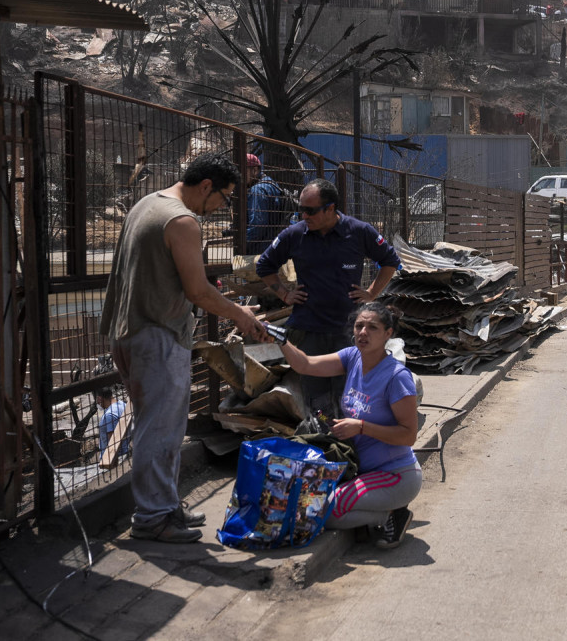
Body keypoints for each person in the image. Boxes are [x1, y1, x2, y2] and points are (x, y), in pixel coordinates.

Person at [100, 152, 268, 543]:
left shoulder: (148, 203)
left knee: (160, 426)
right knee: (159, 429)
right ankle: (153, 518)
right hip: (156, 335)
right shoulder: (182, 221)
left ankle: (165, 505)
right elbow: (198, 290)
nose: (222, 207)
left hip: (128, 332)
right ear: (206, 186)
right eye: (224, 197)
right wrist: (241, 316)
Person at [281, 302, 420, 548]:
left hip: (395, 475)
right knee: (303, 498)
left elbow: (409, 436)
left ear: (388, 333)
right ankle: (373, 515)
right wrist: (280, 340)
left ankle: (391, 514)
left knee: (322, 511)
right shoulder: (352, 356)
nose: (363, 332)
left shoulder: (397, 378)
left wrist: (362, 426)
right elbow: (305, 365)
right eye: (359, 326)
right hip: (361, 471)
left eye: (372, 327)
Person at [256, 179, 402, 413]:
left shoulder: (358, 232)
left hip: (348, 333)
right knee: (317, 401)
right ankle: (321, 441)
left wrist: (372, 293)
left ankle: (350, 445)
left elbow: (390, 261)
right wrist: (284, 294)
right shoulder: (294, 235)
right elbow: (264, 266)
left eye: (310, 210)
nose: (304, 215)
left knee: (351, 396)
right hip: (310, 331)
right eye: (301, 209)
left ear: (330, 209)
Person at [244, 154, 291, 255]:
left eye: (244, 170)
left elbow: (257, 226)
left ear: (255, 170)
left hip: (260, 249)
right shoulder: (270, 183)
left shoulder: (257, 190)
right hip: (274, 244)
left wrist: (242, 245)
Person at [95, 387, 130, 461]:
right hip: (125, 450)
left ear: (99, 398)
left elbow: (113, 441)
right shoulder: (123, 405)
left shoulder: (109, 415)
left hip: (112, 457)